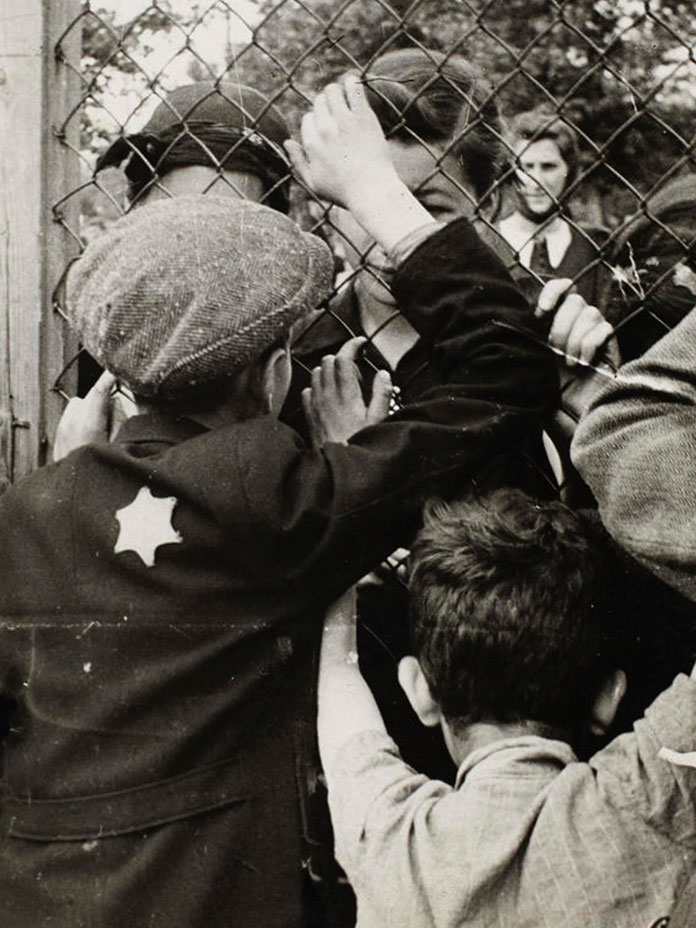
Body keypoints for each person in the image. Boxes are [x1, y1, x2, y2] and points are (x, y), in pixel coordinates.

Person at [0, 77, 555, 927]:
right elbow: (508, 372)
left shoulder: (26, 514)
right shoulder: (277, 500)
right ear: (272, 372)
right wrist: (379, 194)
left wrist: (69, 480)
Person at [318, 489, 696, 927]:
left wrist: (346, 496)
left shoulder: (390, 843)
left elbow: (337, 671)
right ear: (609, 698)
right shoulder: (651, 792)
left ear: (418, 690)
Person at [498, 108, 608, 307]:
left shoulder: (594, 245)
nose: (537, 181)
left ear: (569, 170)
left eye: (548, 166)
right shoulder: (485, 241)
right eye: (525, 167)